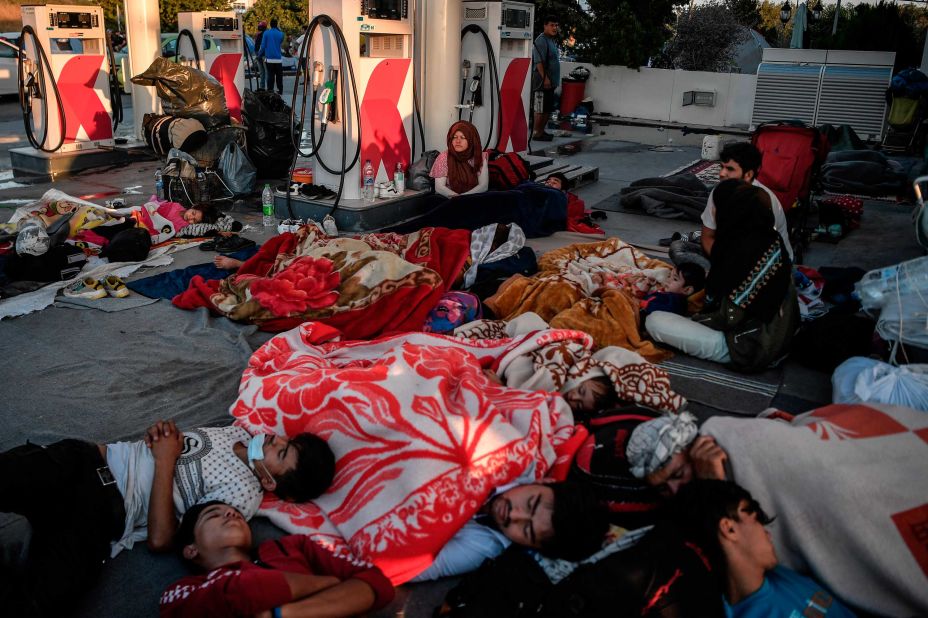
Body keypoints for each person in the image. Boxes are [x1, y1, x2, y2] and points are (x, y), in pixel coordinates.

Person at [0, 421, 335, 615]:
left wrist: (165, 460)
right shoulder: (236, 435)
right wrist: (159, 433)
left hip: (99, 514)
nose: (275, 438)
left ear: (269, 482)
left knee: (40, 600)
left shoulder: (244, 493)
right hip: (86, 461)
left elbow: (163, 539)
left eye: (280, 452)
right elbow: (170, 443)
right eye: (284, 441)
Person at [646, 180, 799, 372]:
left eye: (718, 208)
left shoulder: (742, 254)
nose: (713, 213)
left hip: (750, 347)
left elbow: (727, 318)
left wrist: (689, 314)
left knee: (655, 321)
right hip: (777, 335)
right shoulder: (766, 237)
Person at [160, 501, 395, 617]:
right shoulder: (182, 590)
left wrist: (282, 613)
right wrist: (329, 584)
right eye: (213, 515)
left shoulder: (293, 546)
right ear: (190, 549)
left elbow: (376, 584)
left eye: (235, 512)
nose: (230, 513)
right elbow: (242, 591)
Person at [670, 480, 857, 617]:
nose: (767, 534)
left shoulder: (779, 576)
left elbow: (710, 510)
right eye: (757, 520)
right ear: (730, 529)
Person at [412, 480, 610, 581]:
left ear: (530, 547)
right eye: (530, 504)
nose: (514, 515)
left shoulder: (483, 548)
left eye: (526, 530)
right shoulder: (511, 457)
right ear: (545, 481)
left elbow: (413, 568)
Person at [430, 121, 489, 197]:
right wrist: (457, 198)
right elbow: (439, 187)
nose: (458, 141)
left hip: (473, 198)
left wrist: (463, 198)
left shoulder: (479, 157)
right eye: (454, 137)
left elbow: (483, 186)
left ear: (471, 140)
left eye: (463, 137)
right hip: (449, 199)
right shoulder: (444, 157)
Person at [638, 263, 706, 318]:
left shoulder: (677, 301)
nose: (668, 280)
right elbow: (648, 298)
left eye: (675, 279)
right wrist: (648, 285)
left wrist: (643, 303)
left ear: (687, 290)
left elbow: (667, 309)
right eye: (669, 276)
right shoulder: (666, 292)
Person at [532, 16, 560, 142]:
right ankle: (537, 133)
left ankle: (542, 131)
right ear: (545, 26)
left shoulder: (551, 40)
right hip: (542, 80)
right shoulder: (541, 40)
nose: (555, 28)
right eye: (552, 25)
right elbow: (538, 62)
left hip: (550, 81)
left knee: (547, 108)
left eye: (556, 25)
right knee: (540, 107)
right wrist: (545, 78)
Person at [258, 18, 285, 95]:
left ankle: (270, 90)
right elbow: (280, 42)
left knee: (270, 75)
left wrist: (259, 55)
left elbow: (263, 46)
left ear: (270, 25)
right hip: (278, 59)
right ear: (277, 25)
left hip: (269, 59)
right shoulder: (281, 34)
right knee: (279, 76)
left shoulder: (266, 33)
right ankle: (280, 90)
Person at [253, 21, 268, 87]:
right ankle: (263, 86)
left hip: (262, 54)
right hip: (261, 54)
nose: (259, 28)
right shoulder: (260, 34)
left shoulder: (264, 34)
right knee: (263, 71)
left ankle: (265, 86)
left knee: (263, 71)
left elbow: (262, 45)